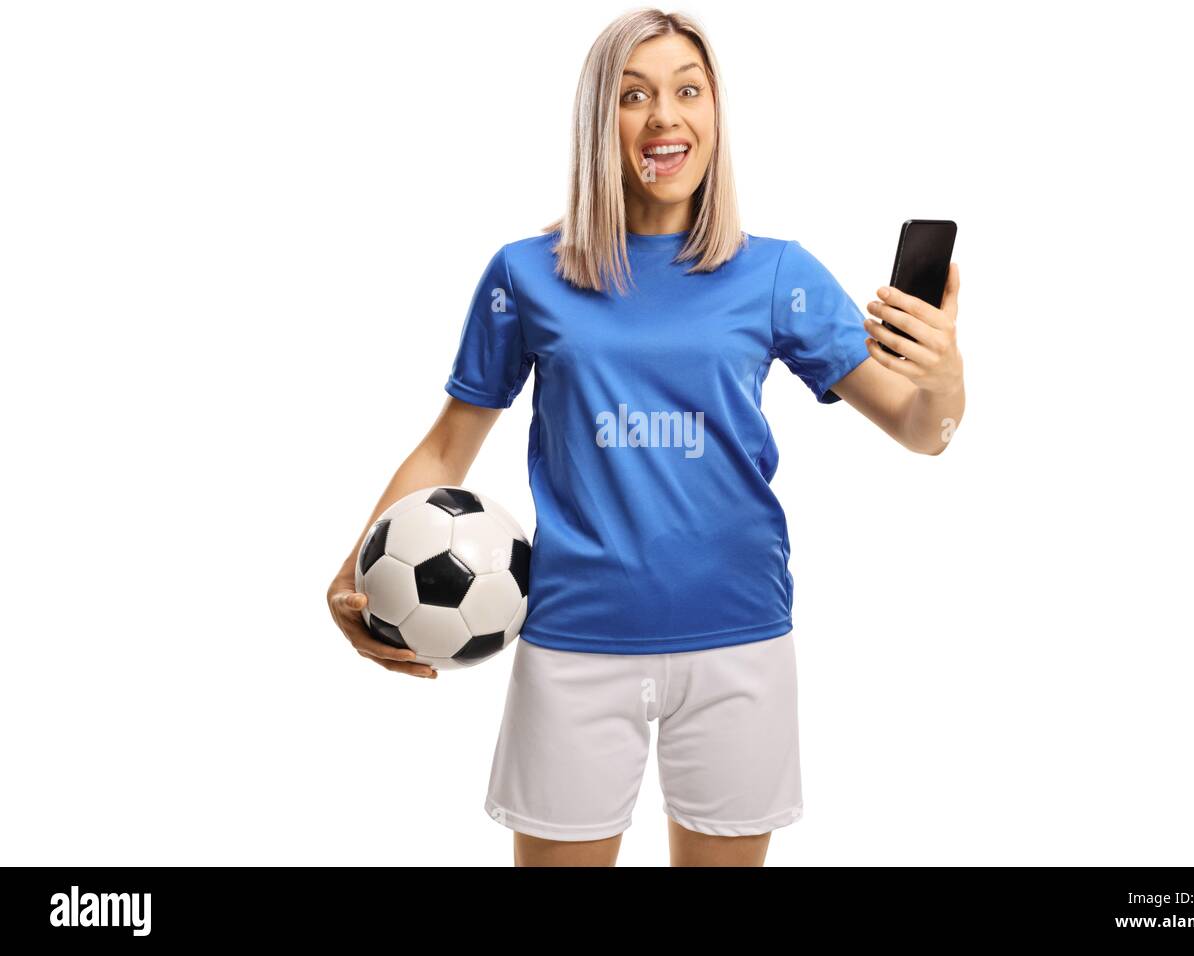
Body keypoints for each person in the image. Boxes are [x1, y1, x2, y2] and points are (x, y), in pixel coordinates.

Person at [326, 8, 964, 867]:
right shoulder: (526, 274)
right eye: (635, 95)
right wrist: (355, 567)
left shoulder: (778, 273)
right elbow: (448, 447)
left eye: (687, 91)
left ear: (714, 115)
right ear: (601, 121)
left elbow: (921, 431)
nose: (666, 115)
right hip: (574, 641)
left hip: (740, 640)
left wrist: (946, 379)